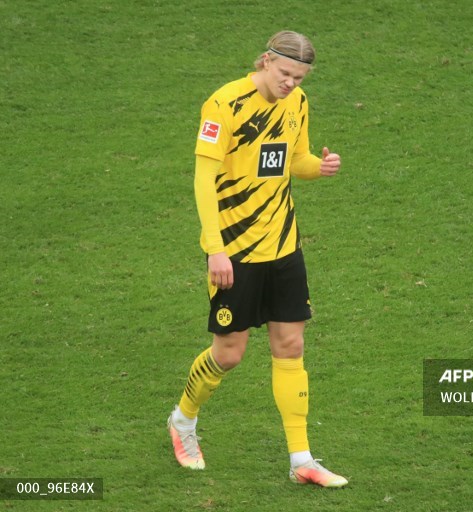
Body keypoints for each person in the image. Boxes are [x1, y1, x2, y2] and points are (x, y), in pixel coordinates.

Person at [167, 30, 347, 488]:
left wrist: (318, 168)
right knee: (229, 354)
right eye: (285, 74)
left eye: (299, 77)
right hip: (235, 251)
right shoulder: (224, 105)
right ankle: (183, 422)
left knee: (290, 347)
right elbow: (203, 178)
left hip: (284, 244)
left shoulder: (298, 103)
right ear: (266, 61)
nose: (291, 83)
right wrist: (215, 248)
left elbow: (294, 160)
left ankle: (301, 459)